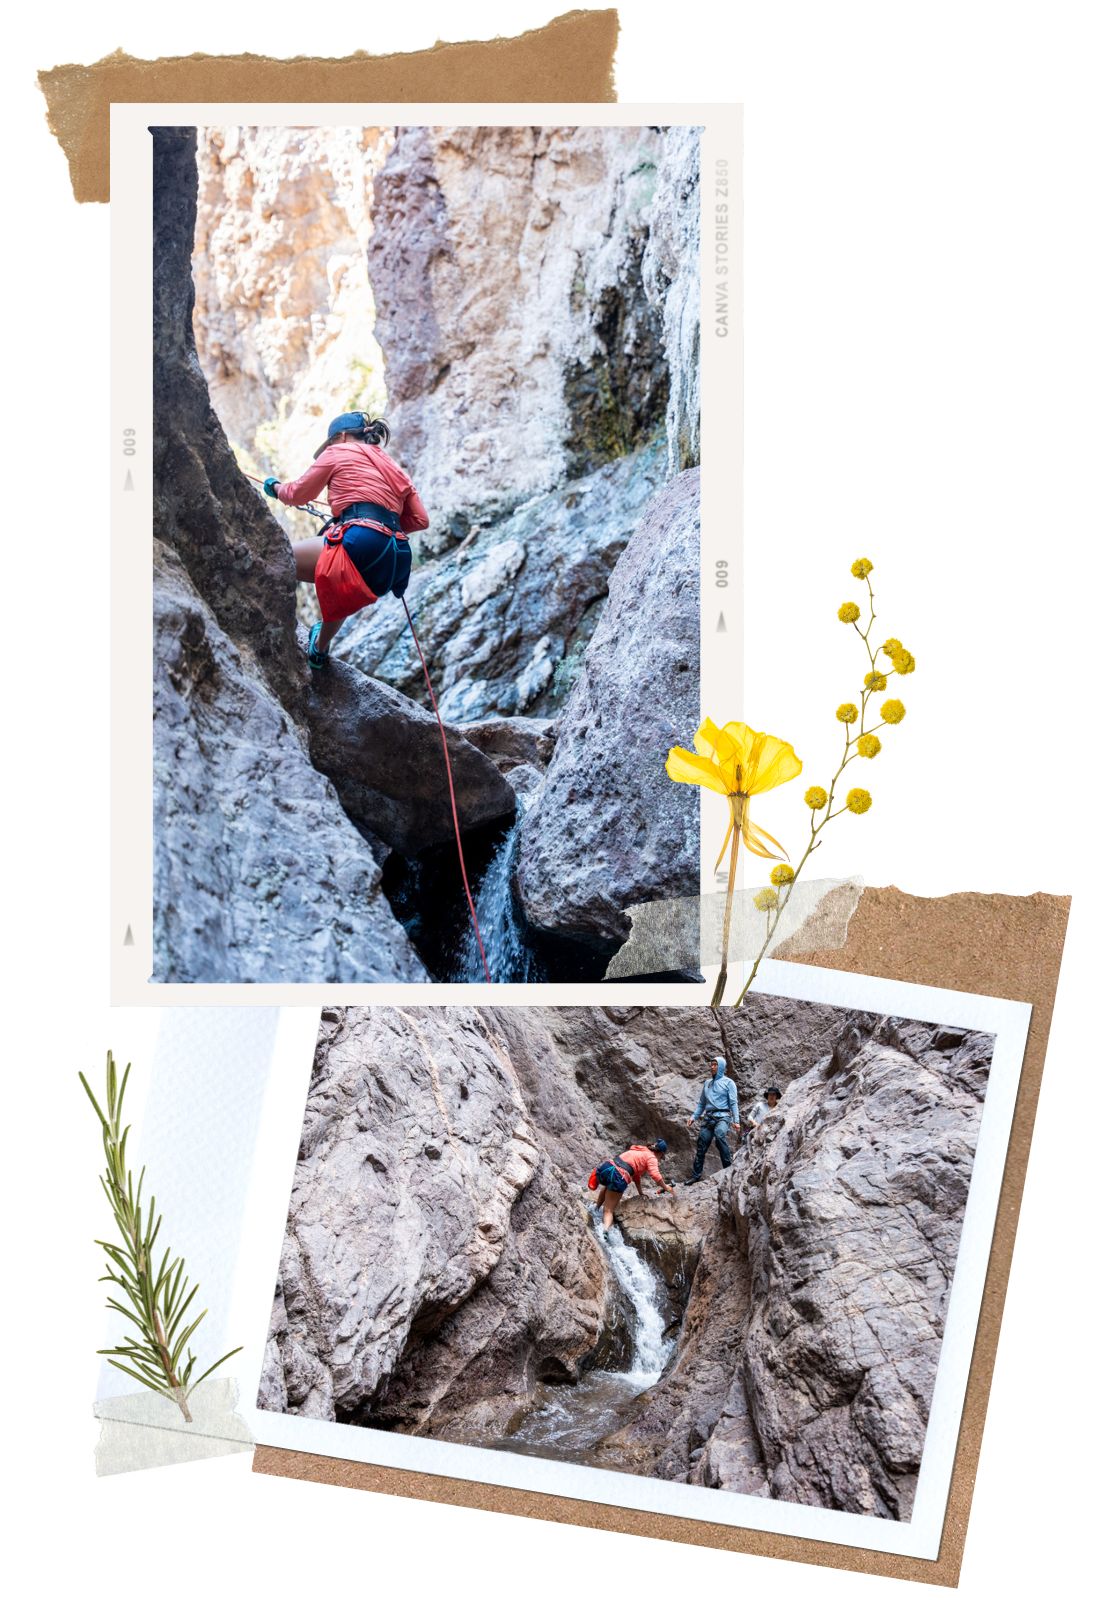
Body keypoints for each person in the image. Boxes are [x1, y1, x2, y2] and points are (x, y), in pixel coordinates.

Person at [262, 411, 430, 670]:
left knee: (277, 558)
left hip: (362, 539)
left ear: (340, 436)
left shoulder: (337, 452)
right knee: (343, 585)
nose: (329, 447)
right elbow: (420, 520)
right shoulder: (394, 467)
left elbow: (296, 494)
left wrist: (275, 488)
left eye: (330, 442)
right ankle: (318, 649)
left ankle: (270, 628)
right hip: (396, 557)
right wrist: (380, 526)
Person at [590, 1139, 675, 1229]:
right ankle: (605, 1232)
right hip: (619, 1176)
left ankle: (595, 1209)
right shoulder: (652, 1157)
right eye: (661, 1157)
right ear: (660, 1153)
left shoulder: (640, 1150)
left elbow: (636, 1176)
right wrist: (666, 1187)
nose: (660, 1159)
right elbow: (655, 1175)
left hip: (607, 1167)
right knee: (608, 1211)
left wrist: (640, 1192)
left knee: (608, 1187)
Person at [683, 1056, 740, 1184]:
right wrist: (693, 1117)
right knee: (701, 1144)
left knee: (720, 1135)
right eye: (711, 1064)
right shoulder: (707, 1083)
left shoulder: (729, 1083)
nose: (712, 1067)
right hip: (708, 1118)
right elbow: (702, 1104)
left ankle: (728, 1169)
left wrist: (736, 1121)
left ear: (721, 1067)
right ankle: (696, 1175)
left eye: (715, 1065)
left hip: (723, 1116)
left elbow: (733, 1103)